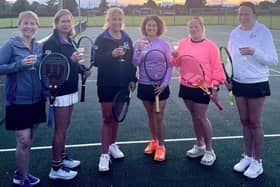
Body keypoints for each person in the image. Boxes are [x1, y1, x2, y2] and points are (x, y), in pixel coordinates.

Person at [228, 2, 278, 179]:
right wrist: (229, 77)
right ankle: (248, 156)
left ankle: (258, 161)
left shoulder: (263, 32)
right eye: (240, 14)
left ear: (254, 15)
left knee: (255, 122)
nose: (243, 17)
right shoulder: (234, 33)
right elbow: (230, 58)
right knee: (244, 121)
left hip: (257, 82)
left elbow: (273, 60)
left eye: (247, 14)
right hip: (239, 82)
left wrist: (254, 52)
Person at [171, 16, 225, 166]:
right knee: (194, 116)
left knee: (201, 117)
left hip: (203, 86)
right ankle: (199, 145)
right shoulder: (182, 44)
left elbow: (216, 67)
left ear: (202, 27)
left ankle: (209, 150)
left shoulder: (210, 46)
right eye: (191, 27)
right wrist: (174, 56)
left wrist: (215, 86)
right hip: (186, 84)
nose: (193, 29)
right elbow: (176, 63)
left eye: (196, 26)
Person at [42, 9, 90, 180]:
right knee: (60, 130)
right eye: (63, 21)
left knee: (65, 126)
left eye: (69, 21)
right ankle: (56, 168)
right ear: (56, 23)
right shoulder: (51, 42)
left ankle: (62, 158)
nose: (67, 24)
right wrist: (73, 61)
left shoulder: (70, 40)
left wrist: (82, 69)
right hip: (59, 91)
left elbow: (72, 65)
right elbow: (52, 68)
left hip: (71, 88)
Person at [0, 11, 46, 187]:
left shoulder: (38, 46)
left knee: (29, 140)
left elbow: (41, 72)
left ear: (37, 26)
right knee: (24, 140)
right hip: (18, 101)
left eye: (32, 23)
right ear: (19, 25)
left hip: (37, 100)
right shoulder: (11, 45)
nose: (29, 27)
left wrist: (47, 92)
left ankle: (21, 172)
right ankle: (22, 177)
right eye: (25, 23)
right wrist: (19, 65)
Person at [93, 7, 137, 172]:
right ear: (108, 21)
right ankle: (104, 155)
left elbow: (132, 60)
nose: (117, 22)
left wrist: (133, 78)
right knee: (107, 118)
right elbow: (95, 60)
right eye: (114, 19)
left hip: (123, 85)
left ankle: (112, 144)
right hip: (106, 85)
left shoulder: (126, 37)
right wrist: (111, 55)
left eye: (119, 19)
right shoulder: (101, 38)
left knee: (116, 117)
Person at [132, 15, 172, 162]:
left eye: (154, 25)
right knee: (150, 115)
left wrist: (164, 84)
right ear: (144, 27)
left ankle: (161, 146)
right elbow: (135, 63)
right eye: (148, 25)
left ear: (158, 28)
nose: (151, 28)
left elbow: (170, 65)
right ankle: (154, 141)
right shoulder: (138, 43)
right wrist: (140, 51)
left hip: (160, 86)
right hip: (144, 84)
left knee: (159, 115)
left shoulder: (164, 45)